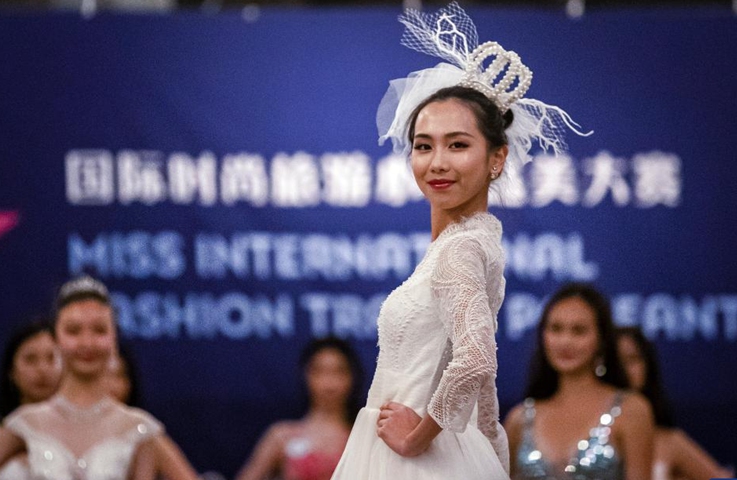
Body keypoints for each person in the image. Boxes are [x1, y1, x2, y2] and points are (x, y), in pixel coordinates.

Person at [332, 3, 589, 479]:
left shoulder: (461, 249)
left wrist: (417, 435)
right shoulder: (470, 241)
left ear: (496, 159)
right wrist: (490, 450)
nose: (437, 162)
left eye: (458, 144)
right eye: (424, 145)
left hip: (416, 458)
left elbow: (475, 360)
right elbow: (483, 386)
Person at [0, 275, 164, 480]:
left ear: (114, 338)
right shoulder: (26, 423)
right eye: (73, 330)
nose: (87, 343)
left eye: (99, 330)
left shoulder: (139, 429)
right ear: (55, 338)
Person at [503, 283, 654, 479]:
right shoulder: (520, 419)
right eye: (556, 329)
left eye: (579, 331)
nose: (565, 341)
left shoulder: (631, 410)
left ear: (601, 340)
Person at [235, 336, 363, 480]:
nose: (329, 383)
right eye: (319, 372)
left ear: (353, 377)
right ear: (306, 375)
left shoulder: (365, 437)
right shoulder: (281, 436)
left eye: (339, 372)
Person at [615, 326, 734, 480]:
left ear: (648, 366)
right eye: (616, 361)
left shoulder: (668, 442)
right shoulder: (585, 435)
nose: (624, 370)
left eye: (632, 359)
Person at [0, 319, 62, 480]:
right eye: (31, 359)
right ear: (11, 372)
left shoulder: (77, 433)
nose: (42, 369)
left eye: (51, 358)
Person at [105, 343, 201, 480]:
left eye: (119, 375)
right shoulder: (65, 426)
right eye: (104, 375)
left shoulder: (142, 431)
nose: (112, 386)